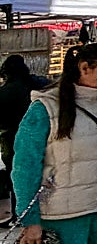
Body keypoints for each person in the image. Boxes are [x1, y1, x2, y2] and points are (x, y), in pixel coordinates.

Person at [12, 43, 97, 244]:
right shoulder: (46, 107)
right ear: (85, 68)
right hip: (64, 214)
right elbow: (25, 167)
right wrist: (30, 220)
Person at [0, 56, 45, 227]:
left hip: (11, 139)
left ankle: (19, 215)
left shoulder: (4, 92)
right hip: (43, 138)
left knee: (17, 179)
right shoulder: (40, 84)